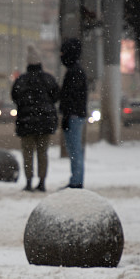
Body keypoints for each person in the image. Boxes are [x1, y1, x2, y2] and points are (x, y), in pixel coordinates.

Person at [11, 44, 59, 192]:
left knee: (28, 154)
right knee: (42, 153)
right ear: (40, 63)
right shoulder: (48, 79)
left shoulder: (21, 80)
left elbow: (14, 97)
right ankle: (42, 181)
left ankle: (28, 181)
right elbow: (56, 96)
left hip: (26, 124)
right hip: (45, 123)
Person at [59, 38, 88, 189]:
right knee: (74, 149)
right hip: (74, 115)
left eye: (63, 52)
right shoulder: (75, 71)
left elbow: (72, 97)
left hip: (74, 116)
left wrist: (67, 114)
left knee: (75, 149)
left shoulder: (75, 72)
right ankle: (75, 179)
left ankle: (76, 181)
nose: (61, 56)